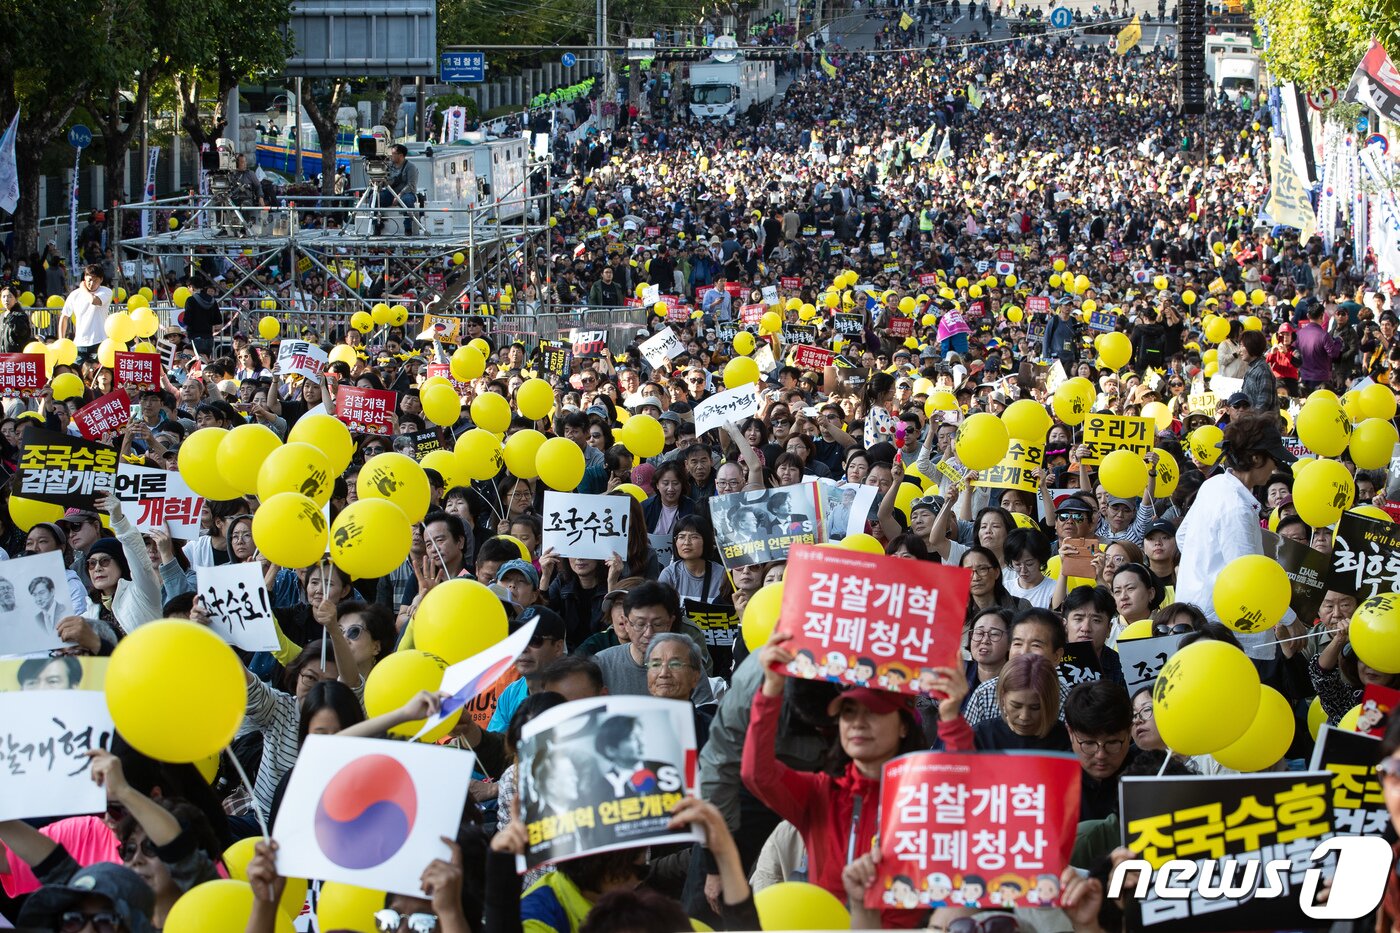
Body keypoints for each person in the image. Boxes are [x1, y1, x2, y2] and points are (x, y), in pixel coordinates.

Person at [743, 632, 926, 929]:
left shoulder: (926, 797)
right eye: (848, 712)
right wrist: (772, 688)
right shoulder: (821, 793)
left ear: (904, 725)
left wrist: (952, 720)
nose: (857, 723)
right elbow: (756, 773)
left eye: (873, 712)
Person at [1175, 412, 1296, 652]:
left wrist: (1204, 563)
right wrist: (1291, 619)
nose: (1275, 467)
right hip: (1220, 624)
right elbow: (1247, 578)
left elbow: (1182, 537)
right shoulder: (1236, 508)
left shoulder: (1214, 485)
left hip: (1194, 612)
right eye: (1273, 459)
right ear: (1256, 458)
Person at [56, 264, 113, 363]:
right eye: (89, 280)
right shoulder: (74, 295)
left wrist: (83, 289)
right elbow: (64, 316)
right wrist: (61, 340)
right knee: (77, 369)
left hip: (100, 341)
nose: (92, 283)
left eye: (95, 280)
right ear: (85, 278)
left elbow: (93, 300)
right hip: (80, 342)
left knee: (97, 371)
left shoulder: (106, 291)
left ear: (101, 280)